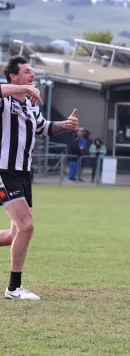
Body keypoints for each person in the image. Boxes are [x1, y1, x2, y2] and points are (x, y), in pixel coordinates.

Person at [1, 55, 79, 300]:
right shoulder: (4, 102)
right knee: (27, 226)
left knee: (16, 234)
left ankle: (14, 288)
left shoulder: (31, 105)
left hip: (24, 173)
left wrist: (64, 125)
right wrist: (26, 88)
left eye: (31, 72)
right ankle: (14, 288)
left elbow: (42, 127)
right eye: (26, 72)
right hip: (3, 171)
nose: (32, 75)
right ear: (13, 76)